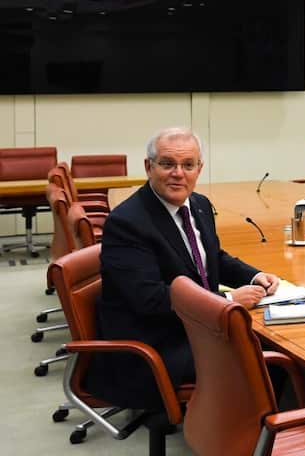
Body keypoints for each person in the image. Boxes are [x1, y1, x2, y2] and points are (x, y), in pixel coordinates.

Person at [92, 127, 280, 409]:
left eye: (188, 165)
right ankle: (246, 439)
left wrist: (254, 275)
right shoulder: (127, 223)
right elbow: (150, 299)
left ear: (199, 169)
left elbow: (212, 257)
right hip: (157, 344)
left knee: (273, 347)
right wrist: (227, 301)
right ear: (149, 167)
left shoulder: (199, 205)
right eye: (167, 164)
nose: (178, 173)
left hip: (196, 326)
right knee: (269, 358)